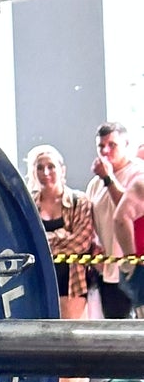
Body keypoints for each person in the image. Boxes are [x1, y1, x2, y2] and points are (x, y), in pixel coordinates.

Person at [25, 145, 96, 382]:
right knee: (42, 344)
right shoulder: (29, 202)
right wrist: (58, 237)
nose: (46, 173)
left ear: (62, 170)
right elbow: (29, 241)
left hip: (72, 281)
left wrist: (48, 240)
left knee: (71, 343)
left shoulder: (79, 202)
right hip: (38, 281)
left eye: (51, 166)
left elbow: (80, 242)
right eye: (40, 167)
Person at [84, 121, 144, 321]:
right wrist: (94, 247)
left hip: (134, 265)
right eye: (101, 146)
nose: (105, 151)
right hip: (108, 268)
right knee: (116, 328)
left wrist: (109, 179)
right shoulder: (94, 183)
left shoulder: (138, 173)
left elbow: (127, 211)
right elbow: (90, 220)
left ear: (126, 144)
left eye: (112, 145)